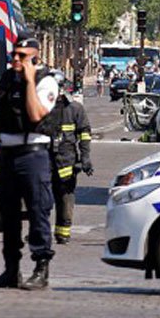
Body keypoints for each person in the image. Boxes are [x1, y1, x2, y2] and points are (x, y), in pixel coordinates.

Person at [0, 36, 59, 290]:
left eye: (22, 56)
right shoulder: (6, 78)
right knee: (9, 215)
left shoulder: (45, 81)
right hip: (7, 152)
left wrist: (29, 80)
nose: (15, 60)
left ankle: (41, 268)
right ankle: (11, 269)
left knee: (38, 211)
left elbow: (35, 113)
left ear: (35, 57)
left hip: (33, 154)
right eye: (14, 55)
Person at [50, 89, 93, 245]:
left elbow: (85, 134)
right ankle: (40, 230)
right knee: (44, 198)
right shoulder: (42, 106)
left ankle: (63, 233)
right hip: (47, 158)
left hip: (65, 160)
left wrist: (85, 158)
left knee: (65, 197)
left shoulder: (75, 108)